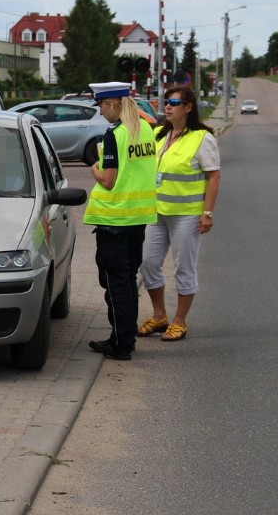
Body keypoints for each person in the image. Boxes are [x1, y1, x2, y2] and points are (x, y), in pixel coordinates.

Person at [137, 85, 220, 342]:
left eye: (174, 102)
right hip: (157, 212)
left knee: (184, 269)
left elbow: (213, 176)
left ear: (188, 107)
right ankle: (160, 315)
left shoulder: (202, 138)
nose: (168, 106)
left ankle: (179, 321)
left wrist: (207, 213)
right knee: (148, 263)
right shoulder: (160, 135)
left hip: (186, 214)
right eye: (166, 102)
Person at [83, 82, 158, 361]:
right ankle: (125, 337)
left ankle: (120, 343)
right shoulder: (146, 130)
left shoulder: (116, 135)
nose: (101, 112)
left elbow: (109, 180)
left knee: (115, 284)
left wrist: (94, 168)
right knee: (127, 280)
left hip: (114, 219)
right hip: (138, 218)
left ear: (113, 104)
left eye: (102, 105)